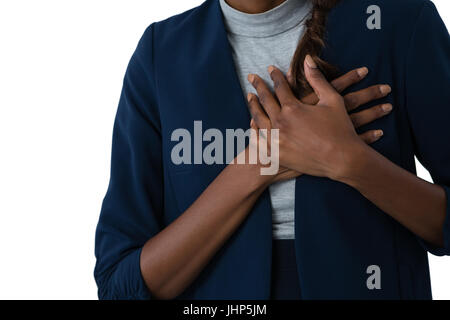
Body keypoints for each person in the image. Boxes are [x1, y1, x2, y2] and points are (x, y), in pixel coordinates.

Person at [94, 0, 450, 299]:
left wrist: (350, 162)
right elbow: (121, 285)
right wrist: (259, 164)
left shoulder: (400, 22)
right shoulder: (162, 54)